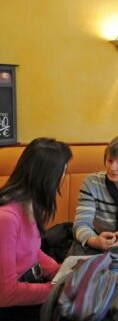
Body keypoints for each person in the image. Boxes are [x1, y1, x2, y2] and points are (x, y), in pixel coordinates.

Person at [0, 137, 72, 321]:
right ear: (48, 177)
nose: (63, 178)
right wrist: (54, 290)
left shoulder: (29, 205)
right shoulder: (7, 218)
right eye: (63, 171)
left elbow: (31, 251)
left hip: (29, 286)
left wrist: (59, 270)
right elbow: (5, 294)